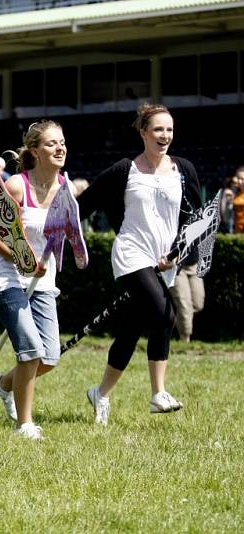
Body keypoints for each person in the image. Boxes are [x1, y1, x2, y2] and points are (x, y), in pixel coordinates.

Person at [77, 103, 201, 425]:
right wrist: (56, 236)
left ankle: (100, 393)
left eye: (169, 130)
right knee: (164, 313)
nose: (165, 136)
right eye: (158, 129)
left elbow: (196, 222)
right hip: (132, 253)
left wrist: (178, 254)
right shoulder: (125, 170)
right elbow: (84, 205)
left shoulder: (183, 169)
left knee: (131, 328)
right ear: (143, 132)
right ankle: (158, 393)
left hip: (165, 260)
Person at [0, 121, 73, 441]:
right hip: (6, 277)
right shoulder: (18, 186)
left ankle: (4, 384)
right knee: (31, 352)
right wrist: (20, 258)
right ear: (35, 151)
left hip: (42, 281)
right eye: (51, 144)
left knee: (50, 357)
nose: (59, 148)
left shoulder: (66, 188)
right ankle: (25, 424)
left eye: (62, 142)